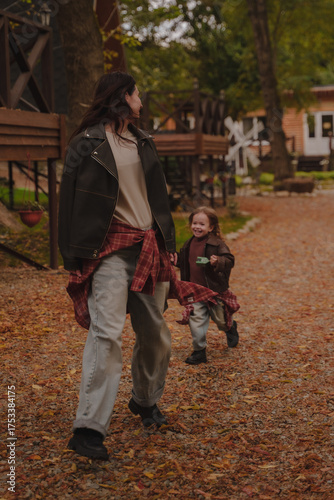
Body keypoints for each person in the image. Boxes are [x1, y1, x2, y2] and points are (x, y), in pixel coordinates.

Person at [58, 71, 178, 461]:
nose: (141, 99)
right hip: (107, 250)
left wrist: (170, 243)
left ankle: (144, 400)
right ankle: (88, 429)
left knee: (156, 334)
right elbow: (68, 202)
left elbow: (158, 198)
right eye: (137, 93)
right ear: (122, 97)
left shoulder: (143, 142)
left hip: (148, 246)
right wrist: (72, 256)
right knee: (106, 335)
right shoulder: (86, 144)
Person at [177, 206, 240, 365]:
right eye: (194, 223)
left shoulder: (216, 244)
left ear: (211, 227)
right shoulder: (188, 244)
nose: (197, 227)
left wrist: (218, 261)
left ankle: (230, 327)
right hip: (195, 292)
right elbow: (185, 262)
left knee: (221, 320)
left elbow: (230, 260)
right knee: (196, 321)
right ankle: (199, 352)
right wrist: (175, 260)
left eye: (202, 224)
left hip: (213, 291)